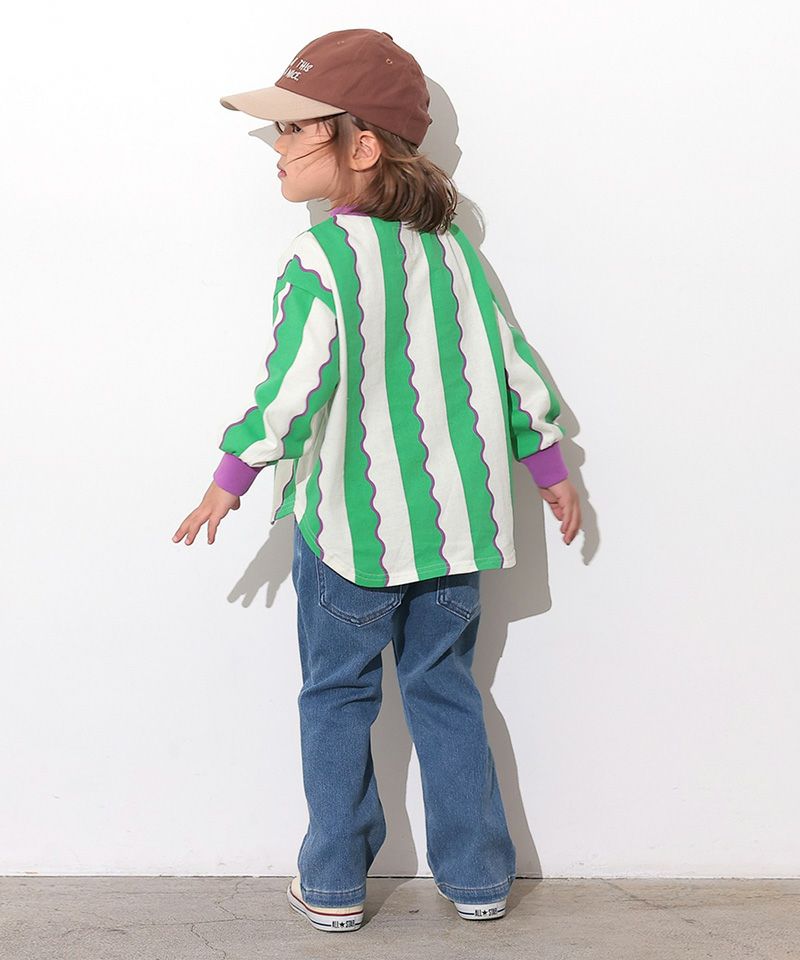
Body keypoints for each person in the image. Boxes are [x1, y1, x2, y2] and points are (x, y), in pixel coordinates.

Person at [172, 28, 581, 933]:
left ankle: (333, 883)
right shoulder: (454, 254)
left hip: (350, 537)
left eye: (294, 129)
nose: (276, 147)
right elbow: (513, 367)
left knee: (336, 697)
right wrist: (547, 464)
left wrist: (231, 475)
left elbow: (291, 388)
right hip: (456, 537)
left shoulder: (319, 257)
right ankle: (478, 878)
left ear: (361, 146)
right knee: (445, 691)